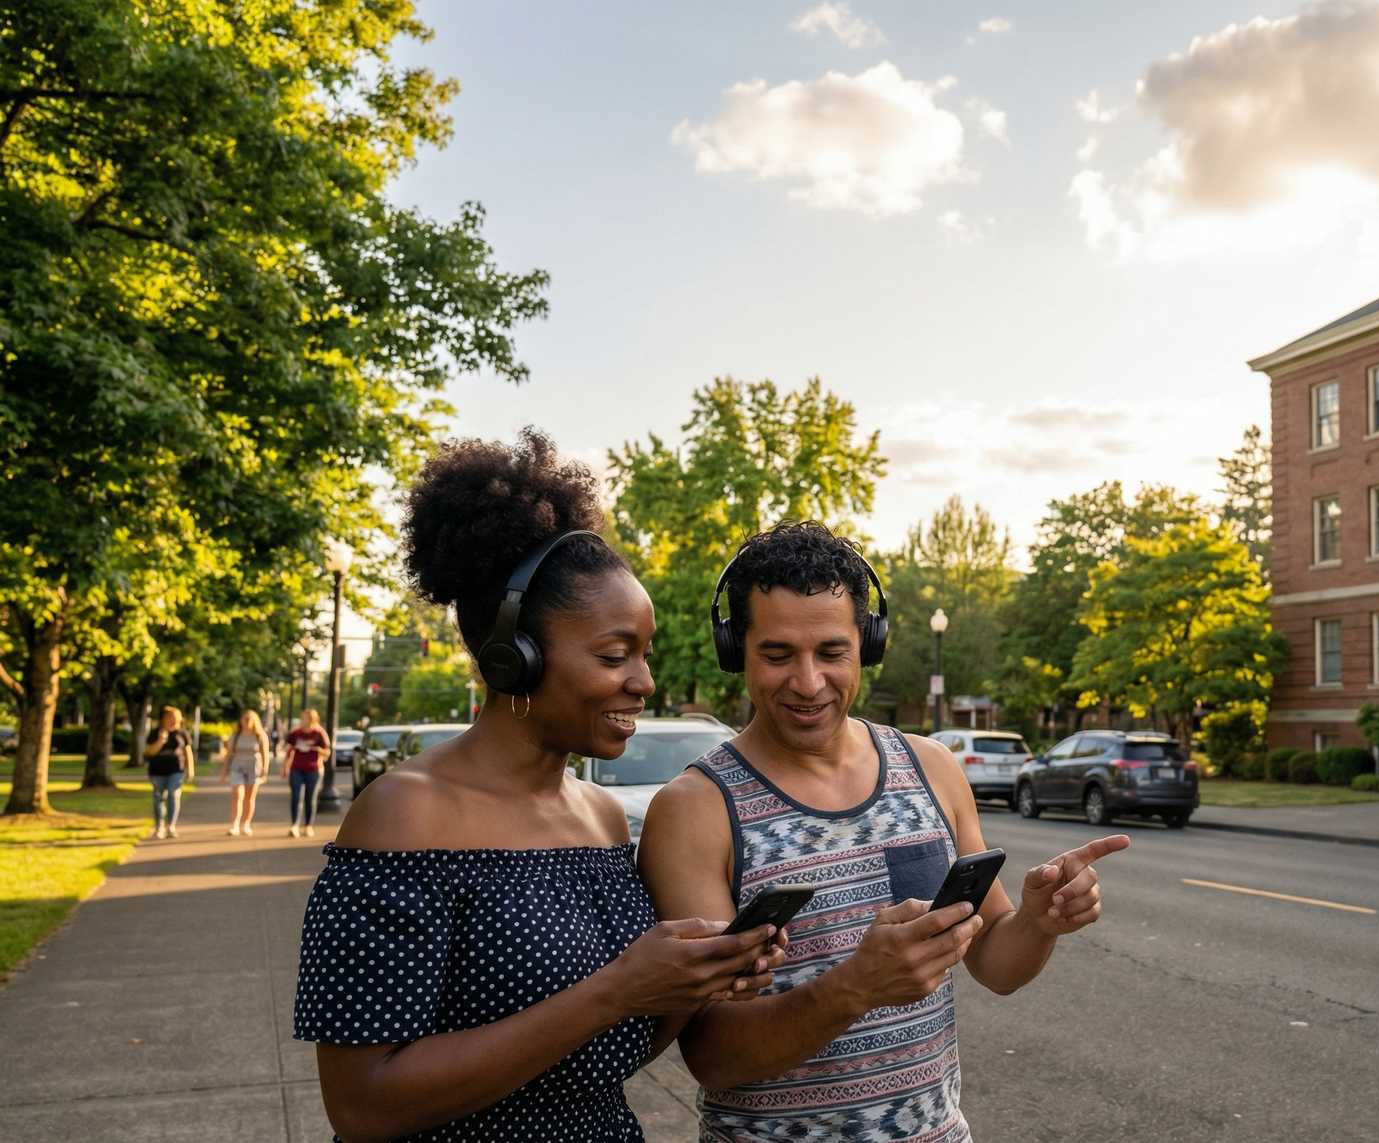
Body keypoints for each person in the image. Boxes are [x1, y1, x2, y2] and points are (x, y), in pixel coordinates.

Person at [293, 428, 786, 1141]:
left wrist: (690, 982)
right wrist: (614, 988)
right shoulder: (403, 816)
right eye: (616, 654)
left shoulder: (601, 817)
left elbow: (604, 1054)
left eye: (643, 654)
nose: (644, 681)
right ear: (514, 656)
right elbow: (364, 1103)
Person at [639, 521, 1129, 1142]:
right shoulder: (695, 810)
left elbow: (998, 964)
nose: (809, 682)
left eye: (832, 652)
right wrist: (855, 987)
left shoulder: (933, 769)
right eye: (778, 654)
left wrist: (1038, 921)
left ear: (866, 645)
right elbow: (711, 1055)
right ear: (736, 651)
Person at [143, 706, 196, 840]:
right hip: (157, 770)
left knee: (173, 795)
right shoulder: (155, 733)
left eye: (175, 717)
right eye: (170, 717)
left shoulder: (182, 733)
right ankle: (159, 827)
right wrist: (161, 741)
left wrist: (191, 769)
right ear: (164, 719)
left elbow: (188, 752)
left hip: (176, 770)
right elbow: (149, 752)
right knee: (159, 798)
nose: (173, 720)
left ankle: (171, 826)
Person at [218, 708, 272, 836]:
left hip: (254, 769)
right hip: (237, 768)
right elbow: (229, 754)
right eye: (245, 718)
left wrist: (265, 772)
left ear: (255, 721)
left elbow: (265, 755)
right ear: (241, 720)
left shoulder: (260, 735)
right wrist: (224, 772)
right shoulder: (236, 735)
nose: (247, 721)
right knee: (237, 795)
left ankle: (246, 824)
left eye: (249, 719)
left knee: (249, 798)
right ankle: (235, 825)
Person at [283, 709, 330, 838]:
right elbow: (288, 751)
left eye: (306, 718)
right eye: (302, 718)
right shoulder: (296, 733)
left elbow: (327, 752)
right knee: (296, 797)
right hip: (296, 768)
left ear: (313, 719)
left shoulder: (319, 733)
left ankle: (308, 826)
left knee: (310, 798)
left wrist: (318, 750)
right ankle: (294, 825)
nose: (304, 720)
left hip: (314, 770)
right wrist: (285, 768)